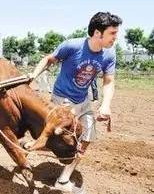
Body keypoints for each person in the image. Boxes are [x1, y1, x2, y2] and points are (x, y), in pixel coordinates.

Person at [30, 12, 122, 192]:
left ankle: (63, 179)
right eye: (112, 33)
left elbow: (109, 81)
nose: (115, 38)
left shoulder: (109, 55)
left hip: (83, 99)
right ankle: (38, 142)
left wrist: (105, 105)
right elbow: (49, 59)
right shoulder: (72, 46)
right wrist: (33, 75)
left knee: (87, 138)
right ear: (97, 33)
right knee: (62, 137)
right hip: (62, 99)